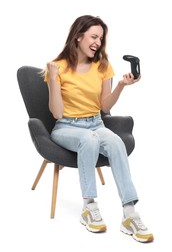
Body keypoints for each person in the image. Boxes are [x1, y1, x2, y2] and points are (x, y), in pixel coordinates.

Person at [44, 15, 154, 243]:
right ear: (78, 36)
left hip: (96, 122)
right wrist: (54, 80)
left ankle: (129, 213)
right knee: (89, 139)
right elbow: (56, 113)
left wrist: (122, 86)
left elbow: (105, 106)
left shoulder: (103, 66)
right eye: (93, 36)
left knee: (115, 142)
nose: (98, 42)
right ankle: (89, 207)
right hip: (66, 126)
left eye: (101, 38)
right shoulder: (58, 67)